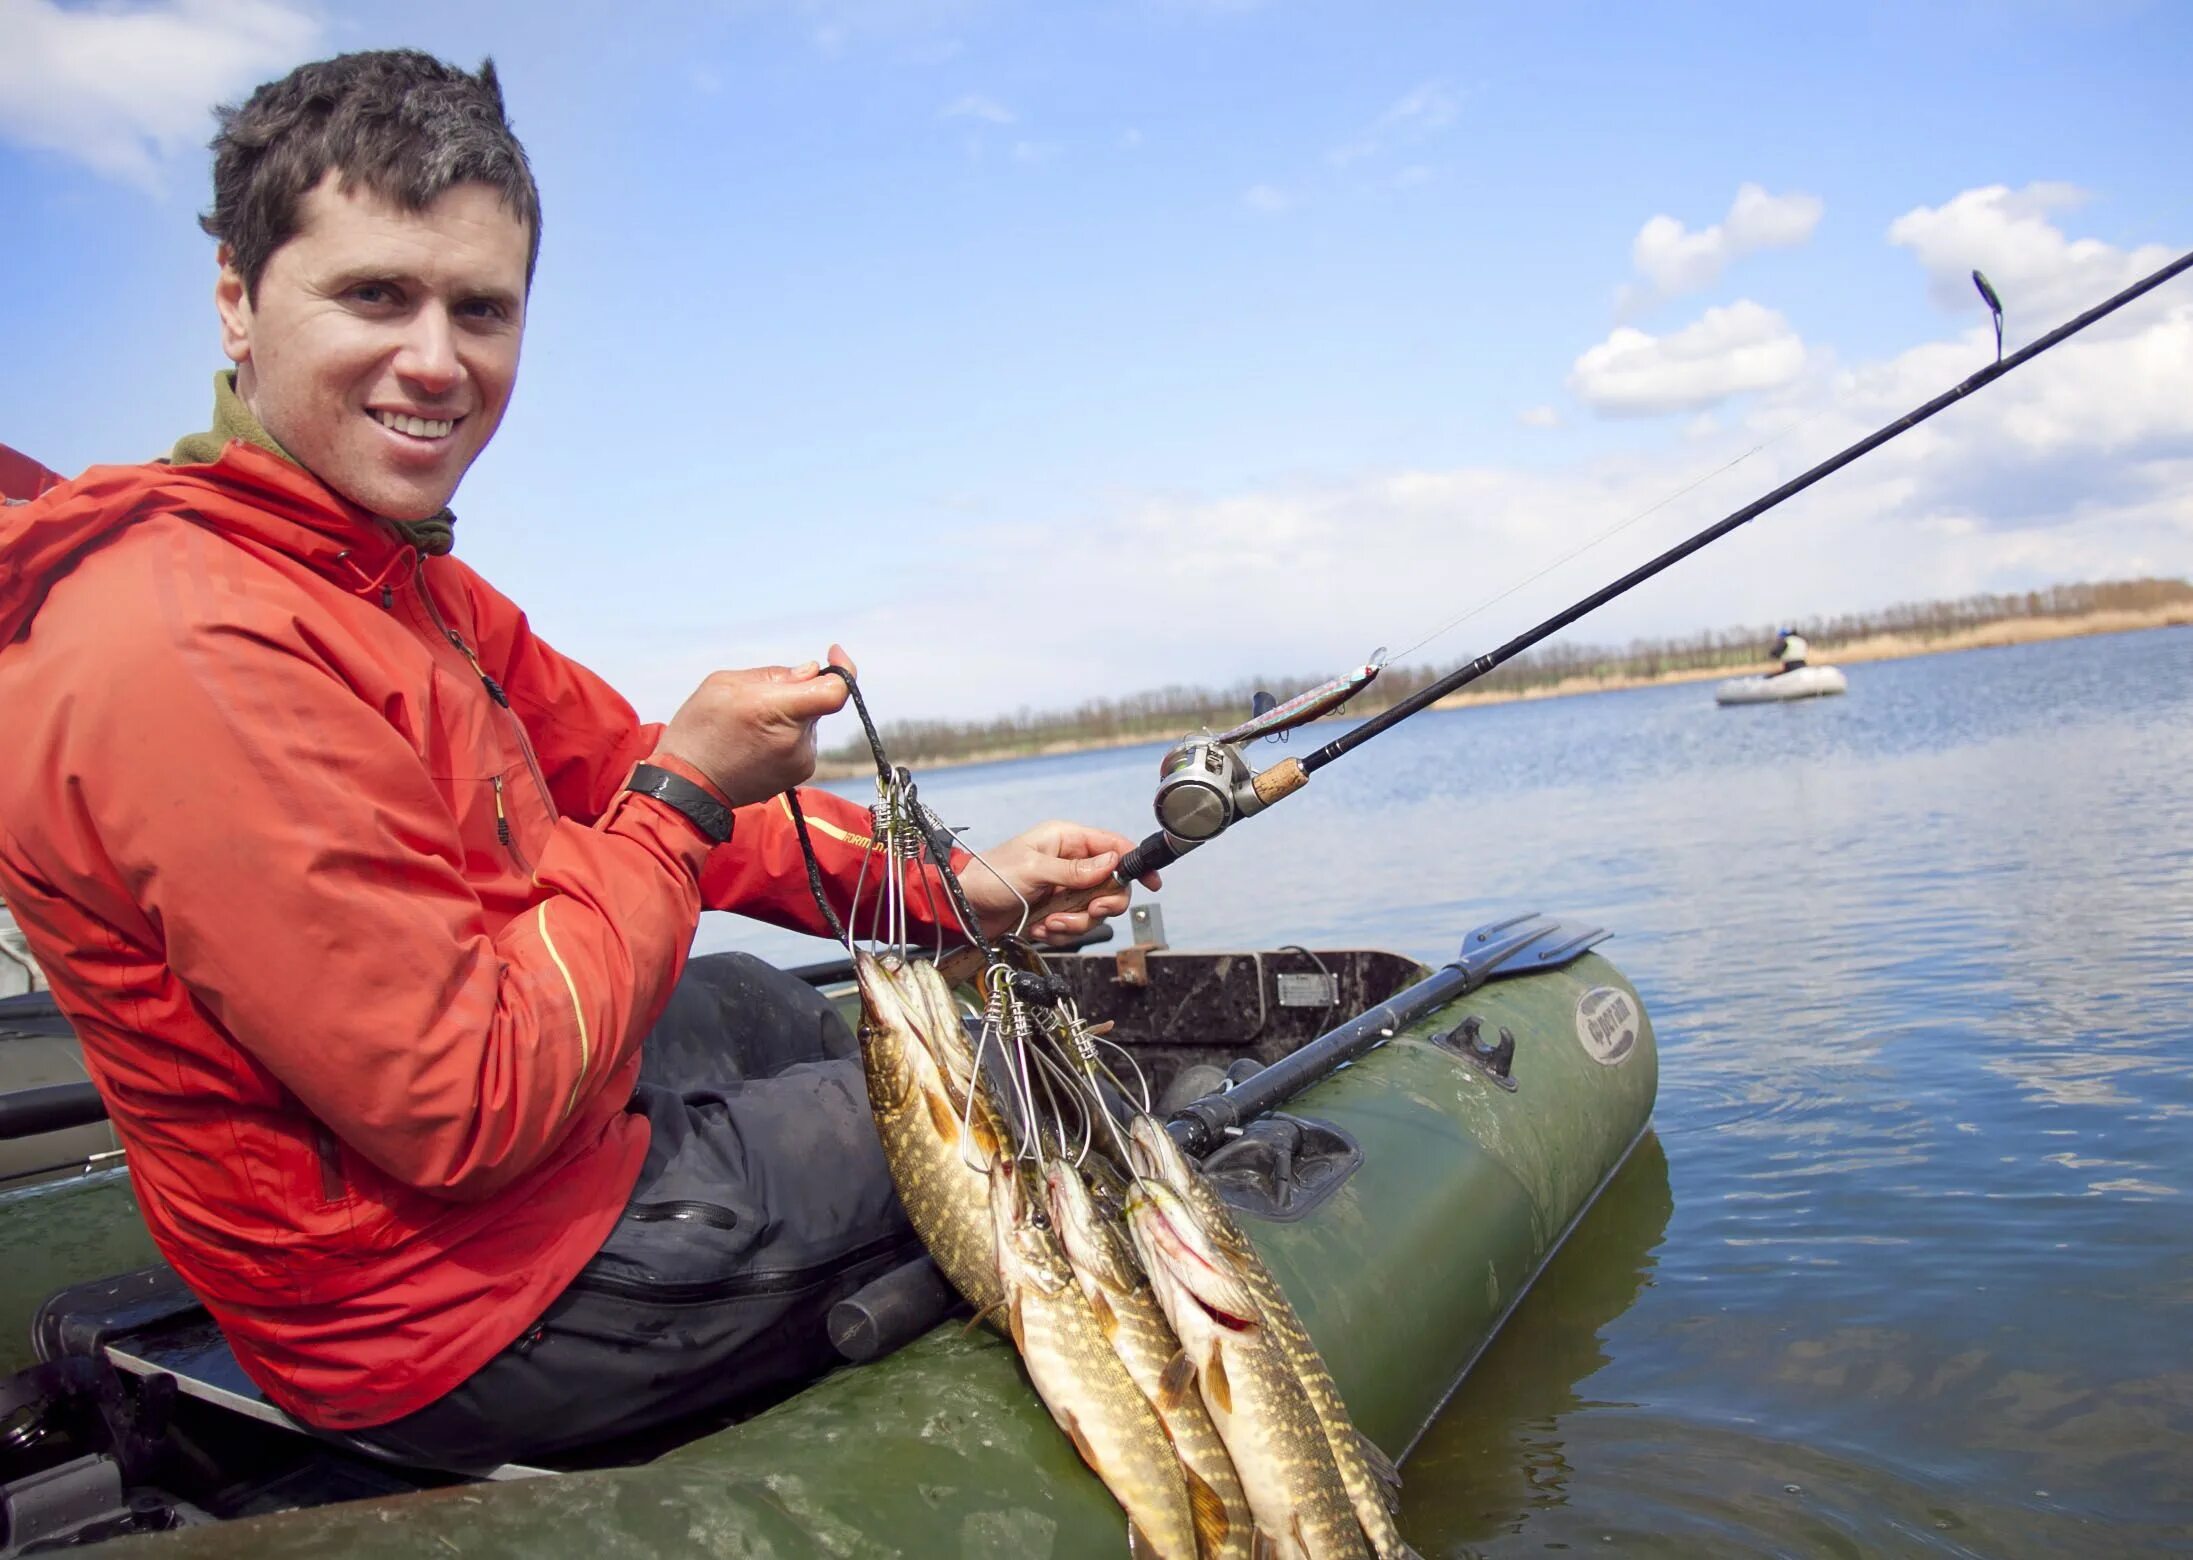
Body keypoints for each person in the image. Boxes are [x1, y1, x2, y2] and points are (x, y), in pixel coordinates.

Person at [0, 50, 1155, 1469]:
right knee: (982, 1075)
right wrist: (676, 800)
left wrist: (959, 888)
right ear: (238, 301)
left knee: (745, 998)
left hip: (490, 1192)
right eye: (375, 294)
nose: (436, 360)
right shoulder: (185, 646)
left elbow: (628, 769)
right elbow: (466, 1099)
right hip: (445, 1320)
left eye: (479, 308)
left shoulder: (384, 577)